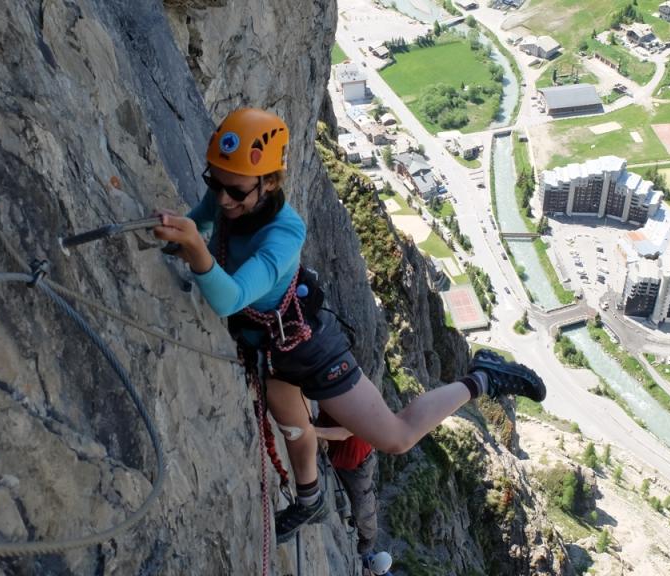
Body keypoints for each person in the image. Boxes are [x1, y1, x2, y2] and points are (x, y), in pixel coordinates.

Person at [153, 108, 546, 544]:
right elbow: (206, 219)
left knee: (394, 438)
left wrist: (192, 245)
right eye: (216, 182)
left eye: (236, 189)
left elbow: (227, 296)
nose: (224, 197)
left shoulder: (285, 233)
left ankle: (482, 378)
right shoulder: (231, 188)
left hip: (309, 349)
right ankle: (309, 501)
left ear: (270, 182)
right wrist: (180, 234)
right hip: (268, 346)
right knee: (295, 427)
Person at [314, 412, 379, 556]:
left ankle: (368, 539)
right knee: (360, 501)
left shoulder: (356, 399)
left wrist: (310, 430)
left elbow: (344, 433)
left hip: (357, 463)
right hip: (338, 450)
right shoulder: (334, 392)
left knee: (362, 507)